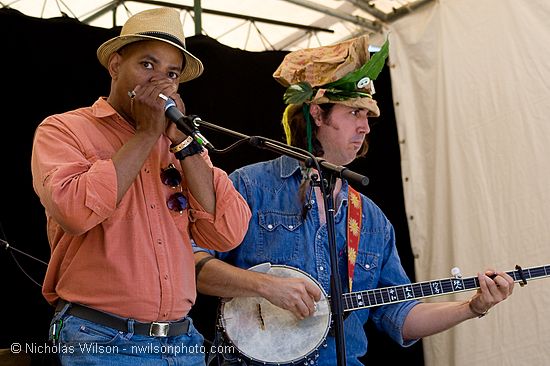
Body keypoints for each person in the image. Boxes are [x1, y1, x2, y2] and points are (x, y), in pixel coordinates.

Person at [192, 35, 514, 365]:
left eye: (367, 117)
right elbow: (194, 265)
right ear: (317, 113)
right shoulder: (250, 185)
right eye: (355, 113)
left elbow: (400, 316)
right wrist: (263, 286)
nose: (365, 128)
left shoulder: (371, 219)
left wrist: (472, 307)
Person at [30, 7, 251, 366]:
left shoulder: (178, 142)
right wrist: (147, 133)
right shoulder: (64, 129)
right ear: (115, 65)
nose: (160, 83)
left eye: (171, 74)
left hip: (182, 342)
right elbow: (73, 211)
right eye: (147, 65)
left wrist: (185, 145)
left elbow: (227, 232)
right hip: (101, 338)